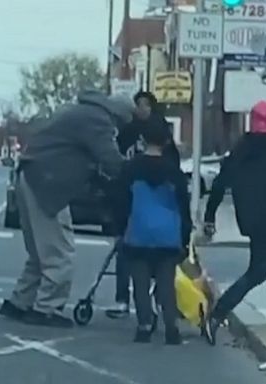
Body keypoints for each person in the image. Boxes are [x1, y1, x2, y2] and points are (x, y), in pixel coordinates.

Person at [0, 90, 135, 328]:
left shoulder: (80, 111)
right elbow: (110, 158)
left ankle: (21, 301)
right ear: (120, 116)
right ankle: (46, 308)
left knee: (41, 252)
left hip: (31, 175)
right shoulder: (98, 120)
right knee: (60, 253)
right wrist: (136, 170)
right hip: (47, 184)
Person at [203, 100, 266, 346]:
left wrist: (209, 216)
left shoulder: (239, 150)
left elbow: (218, 184)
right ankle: (218, 313)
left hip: (248, 217)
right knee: (257, 272)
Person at [112, 116, 192, 345]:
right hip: (168, 236)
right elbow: (183, 207)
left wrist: (119, 228)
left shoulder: (131, 169)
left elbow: (120, 200)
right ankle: (171, 327)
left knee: (140, 281)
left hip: (138, 232)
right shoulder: (174, 173)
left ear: (142, 140)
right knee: (166, 283)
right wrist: (185, 237)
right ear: (166, 141)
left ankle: (144, 324)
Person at [106, 90, 180, 319]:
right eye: (138, 105)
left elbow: (174, 168)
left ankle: (154, 306)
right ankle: (123, 299)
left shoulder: (160, 134)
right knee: (125, 253)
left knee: (150, 260)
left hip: (156, 199)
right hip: (134, 198)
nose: (142, 109)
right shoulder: (129, 132)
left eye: (146, 104)